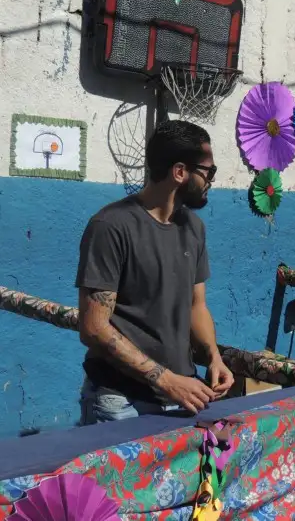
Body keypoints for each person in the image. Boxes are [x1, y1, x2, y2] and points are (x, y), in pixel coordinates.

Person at [76, 121, 234, 424]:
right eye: (208, 171)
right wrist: (166, 380)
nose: (212, 180)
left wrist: (214, 357)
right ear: (180, 172)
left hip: (181, 397)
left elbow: (196, 306)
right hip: (120, 401)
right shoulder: (111, 226)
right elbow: (93, 327)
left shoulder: (194, 228)